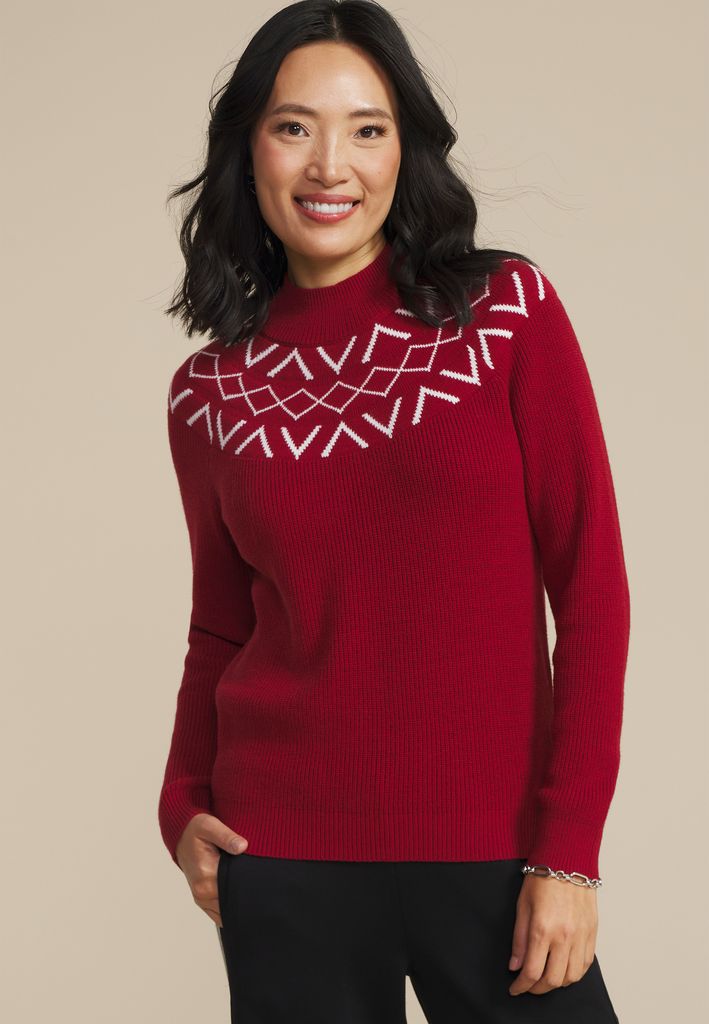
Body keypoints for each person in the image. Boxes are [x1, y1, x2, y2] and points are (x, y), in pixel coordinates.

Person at [157, 2, 630, 1021]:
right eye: (294, 127)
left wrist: (569, 852)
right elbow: (219, 627)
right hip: (282, 855)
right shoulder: (209, 393)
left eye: (366, 129)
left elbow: (591, 588)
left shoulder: (504, 315)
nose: (330, 165)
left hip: (497, 852)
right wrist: (182, 804)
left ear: (404, 149)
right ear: (248, 149)